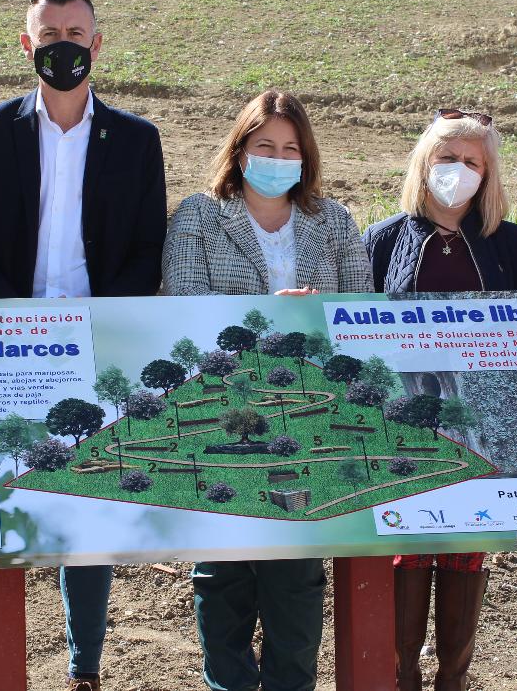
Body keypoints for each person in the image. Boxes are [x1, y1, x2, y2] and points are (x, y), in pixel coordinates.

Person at [0, 0, 167, 691]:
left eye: (75, 35)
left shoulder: (136, 140)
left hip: (97, 345)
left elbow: (143, 248)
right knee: (2, 494)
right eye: (48, 37)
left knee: (88, 506)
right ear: (26, 45)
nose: (62, 48)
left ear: (98, 45)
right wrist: (20, 323)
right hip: (11, 347)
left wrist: (100, 326)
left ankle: (83, 667)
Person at [163, 89, 370, 691]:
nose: (278, 157)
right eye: (265, 146)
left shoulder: (331, 221)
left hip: (305, 422)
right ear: (240, 149)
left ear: (305, 158)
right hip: (217, 416)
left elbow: (359, 308)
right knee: (223, 576)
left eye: (290, 148)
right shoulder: (198, 217)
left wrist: (313, 320)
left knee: (296, 579)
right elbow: (181, 307)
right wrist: (264, 317)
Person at [361, 109, 517, 691]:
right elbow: (352, 330)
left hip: (478, 424)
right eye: (446, 158)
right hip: (405, 430)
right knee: (407, 550)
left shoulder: (508, 245)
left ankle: (453, 679)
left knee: (466, 546)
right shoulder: (385, 240)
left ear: (487, 175)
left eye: (471, 162)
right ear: (423, 162)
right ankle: (401, 677)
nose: (456, 171)